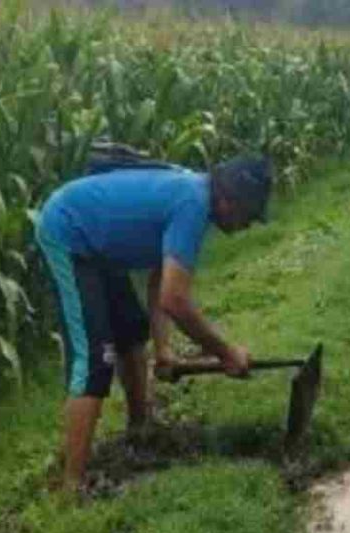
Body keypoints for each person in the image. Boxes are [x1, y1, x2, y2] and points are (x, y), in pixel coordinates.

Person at [34, 155, 272, 492]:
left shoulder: (195, 198)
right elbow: (175, 300)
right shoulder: (192, 204)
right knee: (96, 362)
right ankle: (72, 485)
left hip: (100, 245)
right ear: (228, 200)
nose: (248, 224)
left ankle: (139, 429)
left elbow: (161, 282)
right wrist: (226, 353)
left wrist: (164, 350)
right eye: (248, 215)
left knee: (132, 333)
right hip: (69, 231)